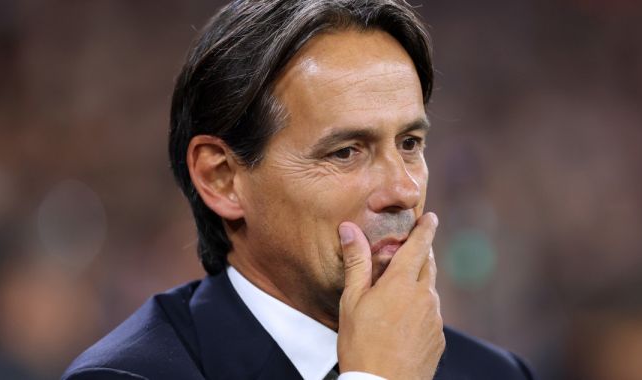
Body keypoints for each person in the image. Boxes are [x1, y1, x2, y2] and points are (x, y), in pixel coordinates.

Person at [63, 1, 536, 379]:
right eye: (346, 151)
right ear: (221, 179)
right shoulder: (128, 374)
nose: (403, 189)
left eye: (410, 144)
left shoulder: (494, 372)